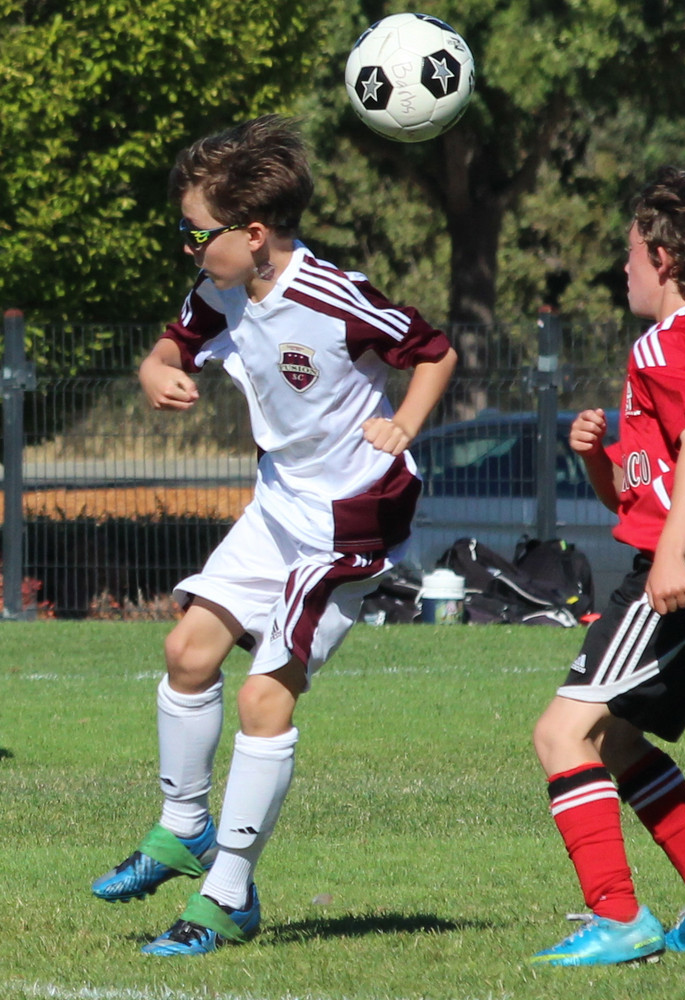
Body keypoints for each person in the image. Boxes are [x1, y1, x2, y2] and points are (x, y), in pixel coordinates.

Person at [91, 115, 457, 956]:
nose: (189, 248)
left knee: (264, 697)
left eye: (197, 233)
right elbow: (171, 347)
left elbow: (435, 351)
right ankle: (185, 828)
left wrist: (403, 423)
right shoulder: (220, 289)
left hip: (352, 520)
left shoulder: (332, 297)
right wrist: (153, 371)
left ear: (253, 234)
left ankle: (226, 897)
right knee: (188, 653)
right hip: (280, 505)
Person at [529, 166, 685, 967]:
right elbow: (652, 491)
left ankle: (618, 918)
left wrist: (671, 552)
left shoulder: (668, 343)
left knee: (560, 733)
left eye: (632, 252)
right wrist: (597, 462)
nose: (624, 266)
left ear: (664, 259)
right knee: (615, 740)